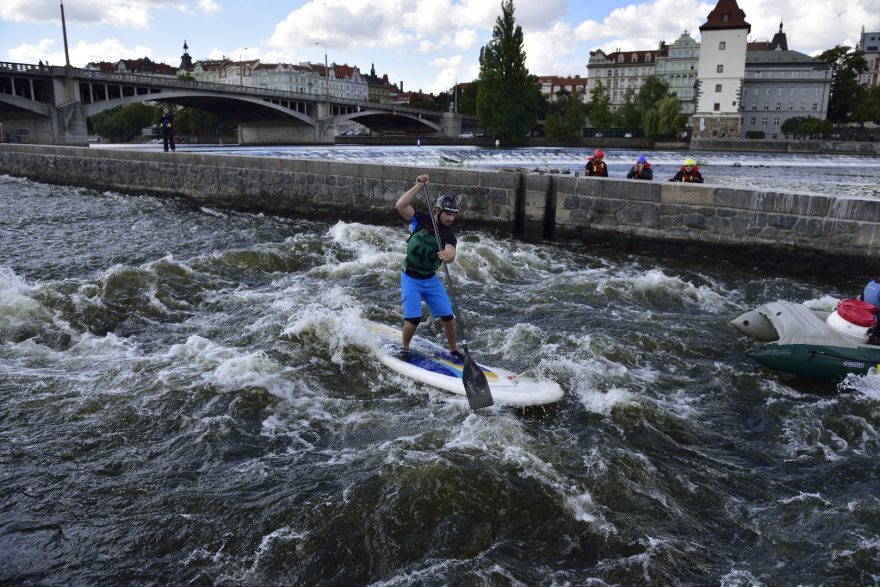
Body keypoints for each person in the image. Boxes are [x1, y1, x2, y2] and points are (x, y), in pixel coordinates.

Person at [395, 174, 462, 358]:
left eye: (454, 214)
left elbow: (451, 253)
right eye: (448, 213)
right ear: (437, 211)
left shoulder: (449, 234)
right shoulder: (421, 220)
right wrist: (418, 186)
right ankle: (404, 348)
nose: (451, 218)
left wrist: (449, 256)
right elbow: (400, 205)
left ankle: (454, 350)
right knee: (414, 319)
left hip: (430, 279)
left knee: (449, 317)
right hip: (410, 277)